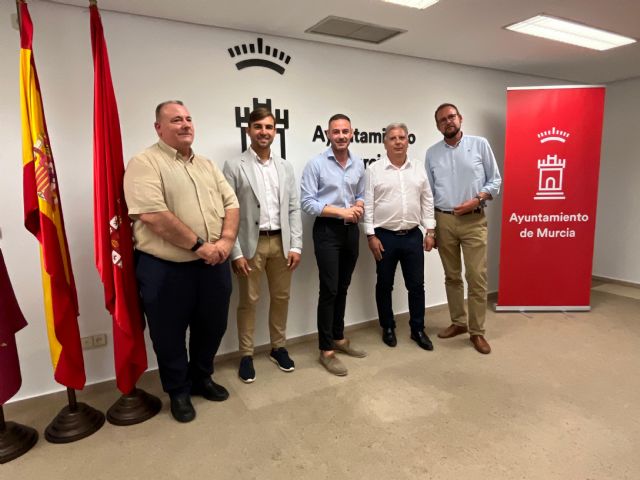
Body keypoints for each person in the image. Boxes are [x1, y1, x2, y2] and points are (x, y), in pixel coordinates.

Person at [123, 100, 239, 422]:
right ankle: (178, 390)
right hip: (165, 269)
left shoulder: (206, 164)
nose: (185, 124)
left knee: (212, 326)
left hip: (214, 265)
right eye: (176, 120)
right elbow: (152, 215)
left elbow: (231, 203)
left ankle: (202, 377)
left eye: (188, 119)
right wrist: (201, 246)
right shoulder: (144, 163)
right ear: (158, 128)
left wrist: (226, 241)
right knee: (169, 334)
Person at [223, 108, 302, 384]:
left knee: (281, 298)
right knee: (248, 301)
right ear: (248, 130)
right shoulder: (234, 166)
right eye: (258, 126)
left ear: (275, 131)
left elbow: (293, 208)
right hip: (249, 246)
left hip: (281, 243)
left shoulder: (285, 167)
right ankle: (246, 354)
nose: (264, 132)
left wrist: (297, 246)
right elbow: (228, 212)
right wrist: (235, 252)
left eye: (269, 127)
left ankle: (278, 347)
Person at [425, 103, 502, 354]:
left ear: (460, 119)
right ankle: (458, 322)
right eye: (442, 120)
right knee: (452, 276)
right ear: (438, 126)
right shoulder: (432, 153)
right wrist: (432, 228)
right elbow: (429, 193)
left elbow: (496, 180)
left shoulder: (480, 144)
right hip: (444, 220)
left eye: (451, 117)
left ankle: (477, 332)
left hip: (473, 220)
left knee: (476, 278)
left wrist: (478, 199)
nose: (448, 122)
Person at [300, 113, 367, 376]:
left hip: (351, 232)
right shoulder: (316, 164)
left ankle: (339, 337)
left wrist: (359, 204)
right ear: (328, 134)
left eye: (345, 131)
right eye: (335, 131)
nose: (341, 136)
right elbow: (307, 202)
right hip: (327, 231)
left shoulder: (358, 163)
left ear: (352, 134)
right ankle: (326, 349)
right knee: (329, 289)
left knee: (343, 286)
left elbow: (360, 193)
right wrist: (341, 212)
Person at [364, 123, 436, 350]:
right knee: (384, 285)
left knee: (416, 286)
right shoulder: (374, 170)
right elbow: (367, 205)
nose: (398, 141)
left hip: (413, 236)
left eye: (402, 137)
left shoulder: (417, 168)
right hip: (384, 237)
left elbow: (427, 200)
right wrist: (370, 235)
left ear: (408, 141)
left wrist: (430, 230)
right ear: (385, 143)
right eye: (392, 138)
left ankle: (418, 329)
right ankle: (387, 326)